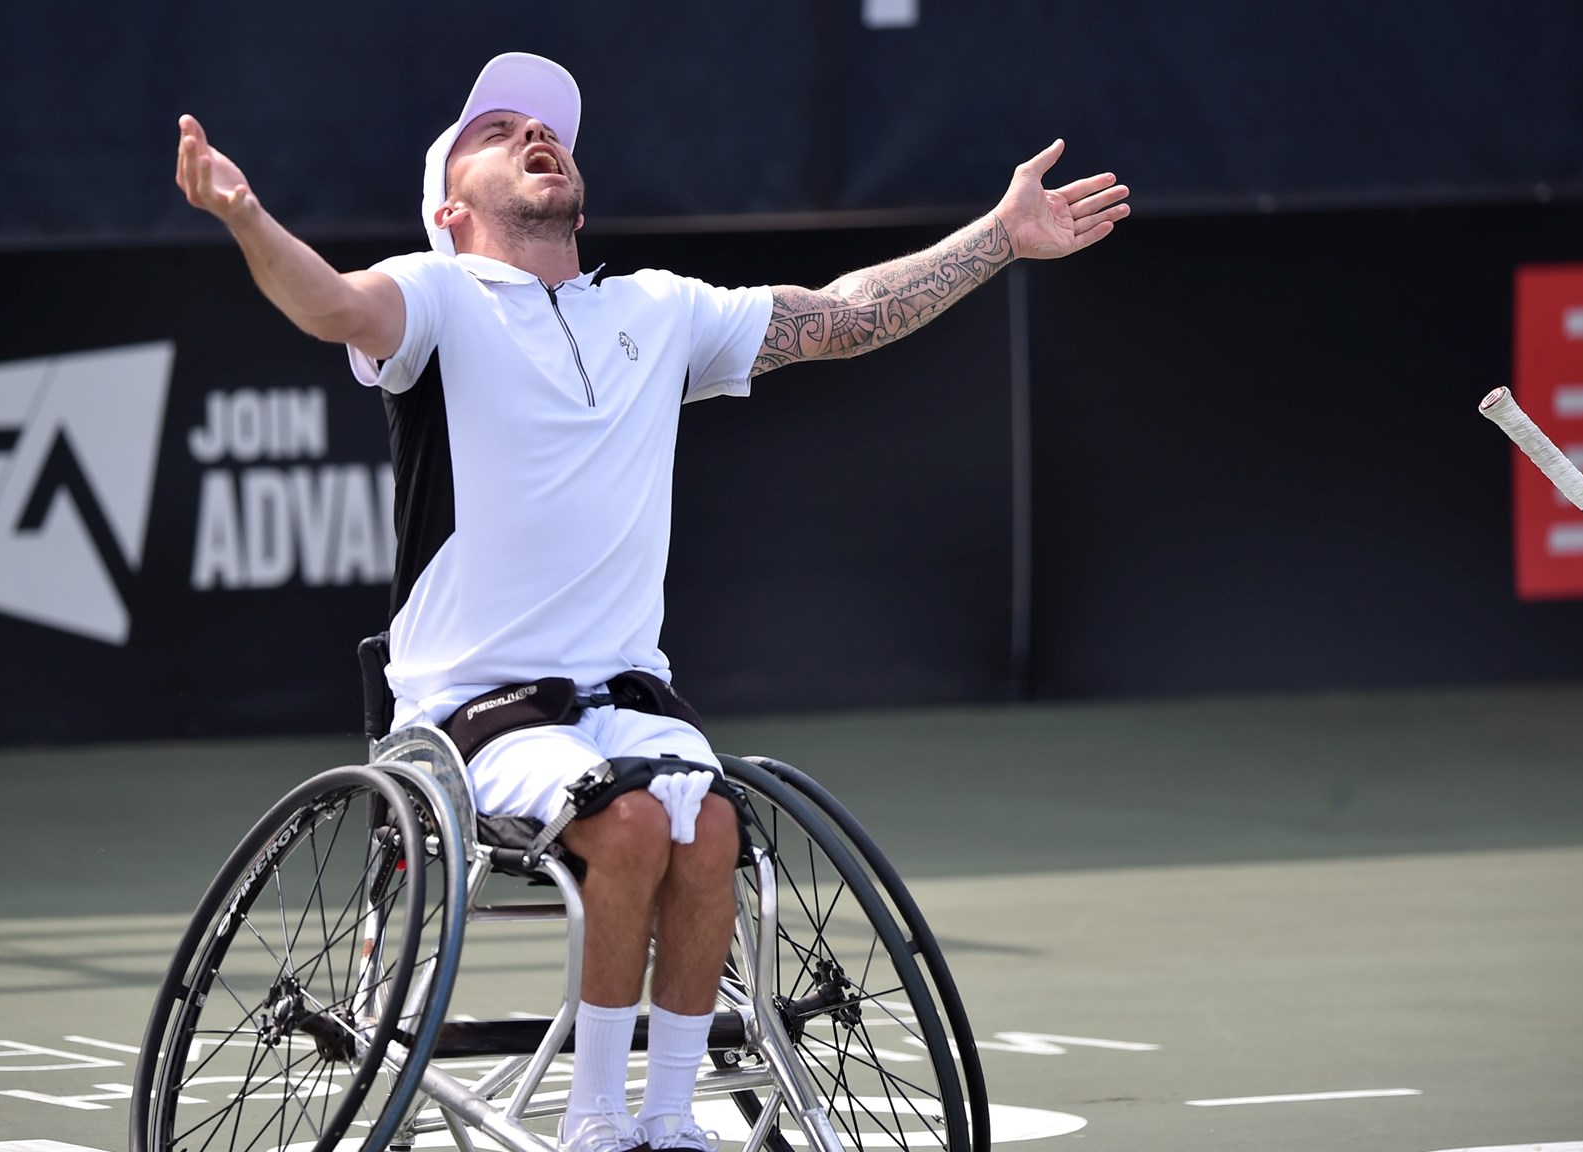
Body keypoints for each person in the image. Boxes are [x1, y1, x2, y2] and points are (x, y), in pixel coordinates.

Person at [175, 51, 1128, 1152]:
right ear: (448, 206)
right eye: (497, 130)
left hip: (630, 700)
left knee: (711, 824)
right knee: (628, 822)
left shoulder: (657, 312)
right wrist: (244, 217)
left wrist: (998, 238)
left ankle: (668, 1123)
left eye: (548, 127)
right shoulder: (433, 296)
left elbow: (841, 315)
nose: (535, 134)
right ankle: (594, 1124)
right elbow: (329, 302)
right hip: (470, 721)